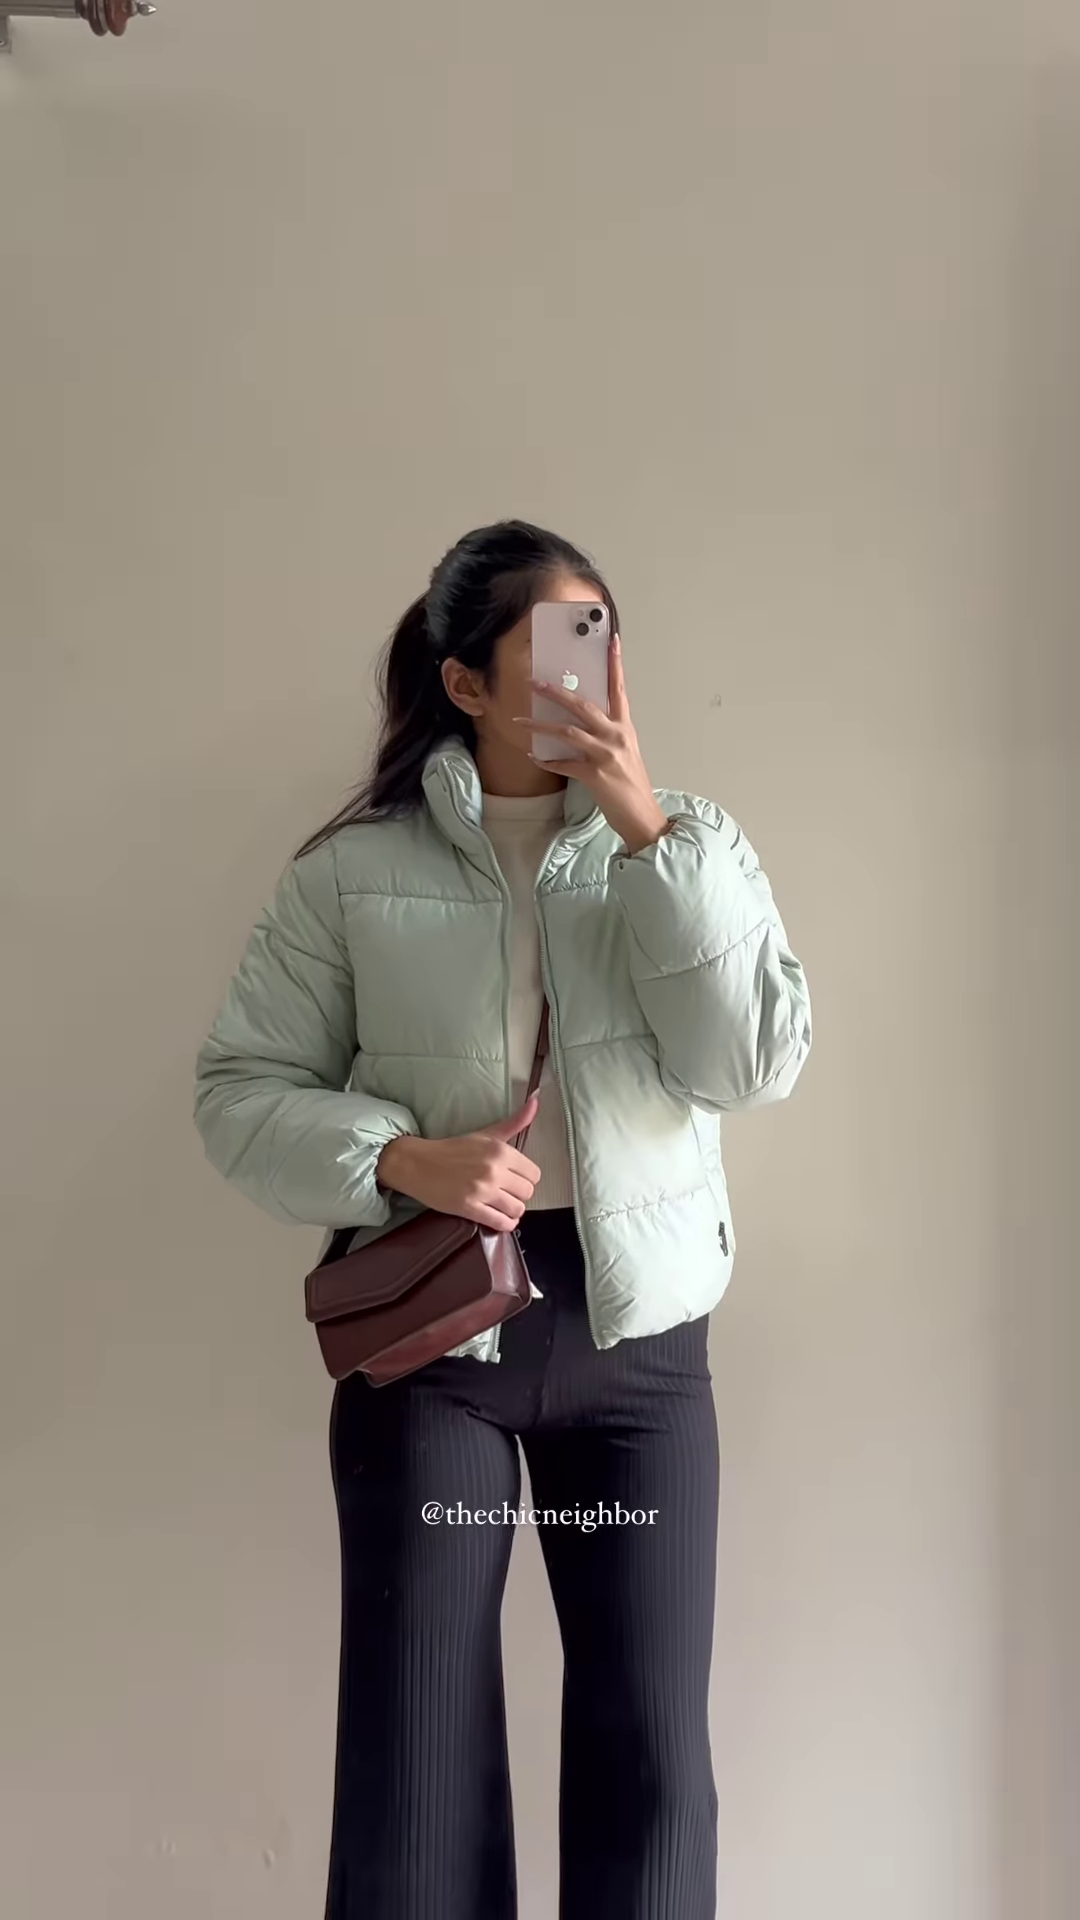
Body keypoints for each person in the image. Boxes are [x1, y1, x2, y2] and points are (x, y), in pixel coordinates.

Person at [194, 519, 811, 1920]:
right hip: (434, 1351)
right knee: (415, 1772)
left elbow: (754, 1065)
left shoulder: (690, 846)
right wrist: (400, 1159)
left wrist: (650, 832)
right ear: (465, 684)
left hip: (639, 1347)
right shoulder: (351, 875)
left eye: (603, 640)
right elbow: (238, 1094)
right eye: (553, 651)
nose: (591, 681)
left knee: (653, 1763)